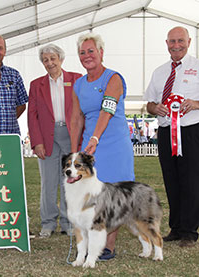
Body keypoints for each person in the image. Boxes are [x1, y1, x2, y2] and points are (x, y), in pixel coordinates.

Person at [71, 33, 135, 260]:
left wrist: (95, 138)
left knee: (116, 195)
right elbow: (76, 119)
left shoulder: (113, 78)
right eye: (82, 52)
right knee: (91, 197)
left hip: (114, 144)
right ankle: (92, 242)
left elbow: (107, 110)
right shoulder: (78, 84)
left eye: (91, 51)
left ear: (101, 52)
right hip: (90, 149)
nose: (87, 56)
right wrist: (74, 152)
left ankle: (108, 245)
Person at [144, 26, 199, 248]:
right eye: (172, 41)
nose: (176, 45)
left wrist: (196, 104)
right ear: (166, 43)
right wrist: (154, 108)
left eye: (180, 41)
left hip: (191, 130)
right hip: (166, 131)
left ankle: (189, 231)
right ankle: (175, 228)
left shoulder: (197, 66)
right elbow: (148, 103)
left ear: (189, 41)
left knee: (192, 181)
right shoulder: (159, 71)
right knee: (171, 180)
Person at [28, 44, 82, 238]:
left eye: (52, 59)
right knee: (48, 182)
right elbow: (32, 116)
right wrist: (37, 142)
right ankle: (48, 223)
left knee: (70, 181)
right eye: (45, 60)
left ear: (61, 59)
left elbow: (82, 110)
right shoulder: (36, 85)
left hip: (71, 136)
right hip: (46, 138)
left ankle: (68, 222)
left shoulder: (76, 79)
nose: (49, 63)